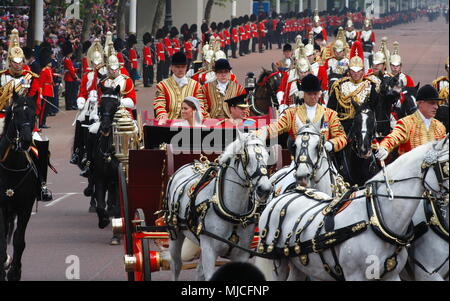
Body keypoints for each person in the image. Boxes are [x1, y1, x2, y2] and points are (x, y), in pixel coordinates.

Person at [0, 28, 52, 202]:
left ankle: (42, 184)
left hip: (24, 119)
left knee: (41, 146)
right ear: (9, 62)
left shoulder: (30, 78)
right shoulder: (2, 77)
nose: (18, 64)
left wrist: (25, 110)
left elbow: (35, 102)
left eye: (20, 61)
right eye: (14, 61)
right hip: (3, 117)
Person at [256, 74, 347, 154]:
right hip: (298, 160)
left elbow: (342, 137)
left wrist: (331, 144)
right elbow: (275, 127)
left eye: (315, 93)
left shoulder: (330, 114)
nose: (312, 97)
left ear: (319, 94)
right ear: (303, 94)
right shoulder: (291, 113)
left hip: (323, 158)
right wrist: (259, 133)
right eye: (309, 94)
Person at [375, 85, 446, 160]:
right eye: (432, 103)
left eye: (436, 103)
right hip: (410, 170)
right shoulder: (407, 123)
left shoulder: (440, 126)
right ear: (420, 103)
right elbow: (394, 137)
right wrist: (384, 147)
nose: (436, 107)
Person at [328, 40, 379, 134]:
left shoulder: (370, 86)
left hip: (364, 126)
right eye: (353, 70)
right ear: (349, 71)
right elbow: (331, 109)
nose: (356, 73)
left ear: (363, 71)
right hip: (343, 125)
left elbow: (375, 109)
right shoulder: (339, 86)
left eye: (358, 71)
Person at [154, 52, 207, 125]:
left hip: (190, 124)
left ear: (186, 67)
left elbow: (200, 105)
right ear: (172, 68)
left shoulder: (196, 85)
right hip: (170, 124)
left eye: (183, 67)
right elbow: (160, 105)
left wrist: (197, 120)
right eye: (177, 67)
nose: (180, 69)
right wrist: (163, 118)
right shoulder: (162, 85)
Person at [38, 47, 54, 129]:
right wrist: (40, 93)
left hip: (49, 90)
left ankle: (44, 122)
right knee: (43, 109)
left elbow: (51, 78)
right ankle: (41, 123)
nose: (51, 63)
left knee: (46, 109)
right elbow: (40, 83)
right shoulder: (44, 70)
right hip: (45, 91)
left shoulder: (49, 70)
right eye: (50, 62)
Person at [62, 40, 79, 110]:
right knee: (69, 93)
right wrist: (75, 77)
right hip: (70, 78)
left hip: (69, 77)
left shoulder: (67, 59)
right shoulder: (67, 60)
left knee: (70, 92)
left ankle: (70, 105)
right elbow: (71, 70)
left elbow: (71, 69)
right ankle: (69, 105)